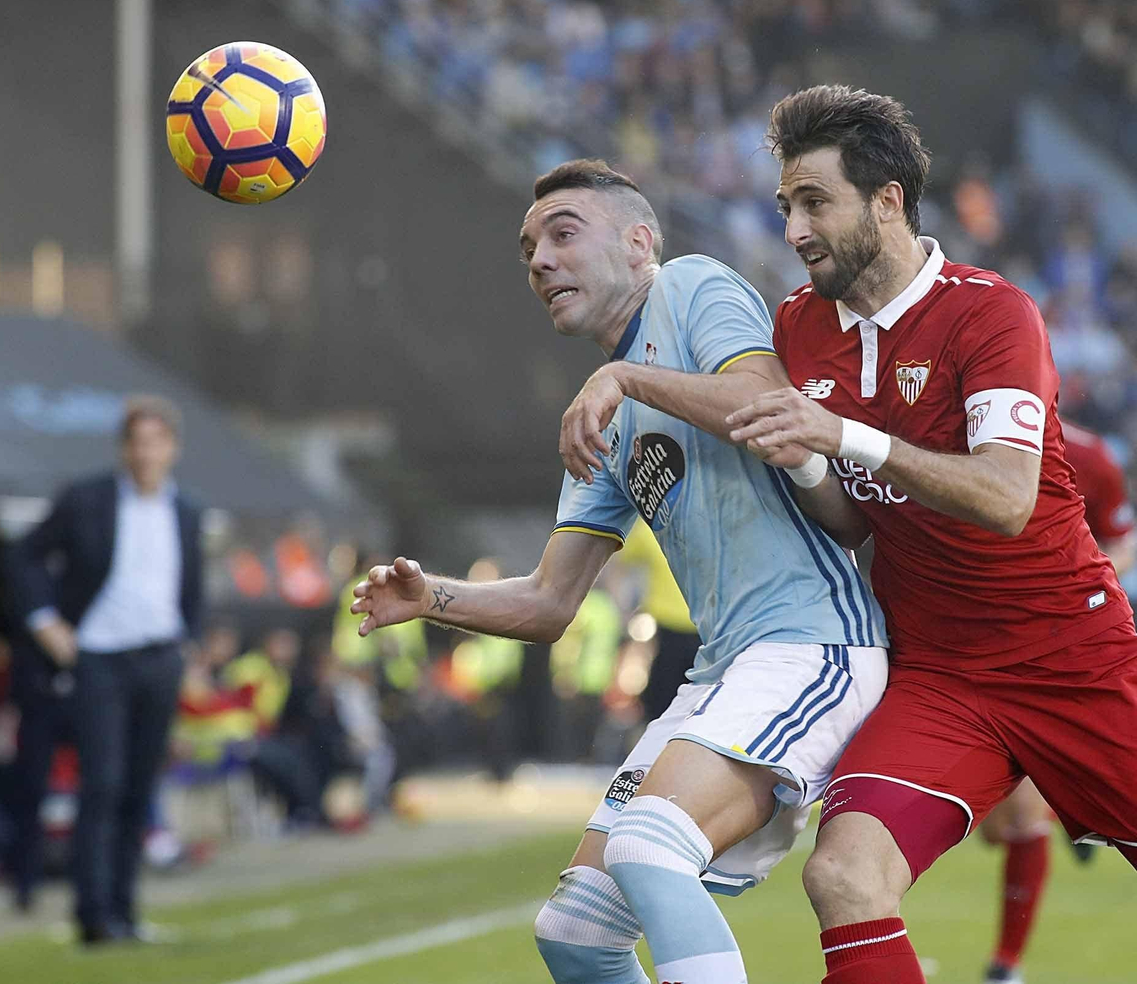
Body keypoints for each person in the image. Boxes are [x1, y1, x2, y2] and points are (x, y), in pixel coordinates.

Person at [726, 85, 1137, 984]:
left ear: (887, 200)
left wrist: (843, 437)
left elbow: (1008, 497)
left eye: (814, 202)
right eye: (787, 205)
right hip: (940, 676)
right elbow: (849, 515)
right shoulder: (797, 325)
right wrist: (782, 451)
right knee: (844, 876)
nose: (793, 229)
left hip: (1077, 667)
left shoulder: (991, 312)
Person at [352, 158, 887, 984]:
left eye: (563, 234)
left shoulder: (689, 288)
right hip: (721, 672)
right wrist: (433, 599)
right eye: (528, 249)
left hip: (814, 644)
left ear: (640, 244)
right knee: (575, 932)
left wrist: (623, 375)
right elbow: (548, 600)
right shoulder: (601, 416)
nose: (540, 260)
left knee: (649, 844)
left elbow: (765, 407)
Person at [5, 395, 203, 946]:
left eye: (156, 442)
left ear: (173, 448)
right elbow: (23, 555)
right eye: (136, 442)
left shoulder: (186, 511)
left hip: (159, 659)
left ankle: (125, 909)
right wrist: (45, 622)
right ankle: (93, 915)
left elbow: (190, 586)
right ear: (123, 448)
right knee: (104, 784)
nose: (146, 453)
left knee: (140, 788)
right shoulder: (87, 499)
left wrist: (188, 645)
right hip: (99, 660)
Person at [971, 420, 1137, 983]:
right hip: (967, 643)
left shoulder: (1091, 457)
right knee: (994, 830)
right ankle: (1069, 809)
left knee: (1020, 819)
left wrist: (1072, 585)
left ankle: (1006, 966)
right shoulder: (950, 440)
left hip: (1053, 649)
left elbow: (1124, 541)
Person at [617, 520, 699, 718]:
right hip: (684, 626)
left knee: (664, 698)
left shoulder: (651, 526)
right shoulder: (709, 524)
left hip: (680, 627)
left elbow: (620, 560)